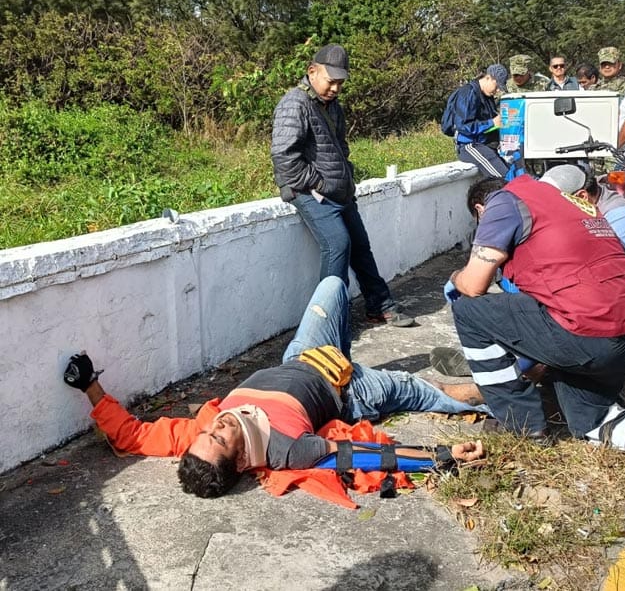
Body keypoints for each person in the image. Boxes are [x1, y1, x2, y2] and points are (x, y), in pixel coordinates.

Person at [439, 176, 625, 506]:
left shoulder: (502, 202)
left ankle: (520, 425)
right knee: (591, 421)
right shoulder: (567, 201)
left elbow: (474, 285)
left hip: (590, 330)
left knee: (468, 310)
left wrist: (455, 278)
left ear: (480, 210)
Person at [62, 276, 489, 499]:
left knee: (333, 286)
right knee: (423, 389)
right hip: (352, 387)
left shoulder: (198, 434)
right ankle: (492, 394)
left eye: (208, 433)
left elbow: (133, 436)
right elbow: (360, 454)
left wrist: (90, 386)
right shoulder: (286, 450)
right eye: (220, 439)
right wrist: (440, 457)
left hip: (302, 354)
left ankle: (347, 347)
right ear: (241, 459)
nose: (216, 426)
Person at [431, 165, 625, 383]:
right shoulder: (589, 212)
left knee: (562, 323)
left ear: (581, 196)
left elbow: (606, 285)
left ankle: (511, 374)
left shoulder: (620, 216)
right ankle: (514, 363)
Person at [271, 44, 414, 327]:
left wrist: (344, 177)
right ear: (312, 71)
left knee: (360, 246)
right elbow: (284, 156)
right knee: (338, 243)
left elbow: (340, 147)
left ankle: (379, 305)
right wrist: (318, 183)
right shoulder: (293, 104)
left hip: (339, 191)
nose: (335, 88)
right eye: (331, 81)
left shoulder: (332, 106)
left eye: (340, 83)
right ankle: (328, 320)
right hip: (309, 192)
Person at [448, 64, 510, 178]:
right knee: (503, 177)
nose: (497, 91)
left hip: (485, 145)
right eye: (496, 86)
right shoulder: (467, 93)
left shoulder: (486, 96)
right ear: (488, 78)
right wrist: (492, 123)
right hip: (469, 145)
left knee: (510, 172)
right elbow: (463, 126)